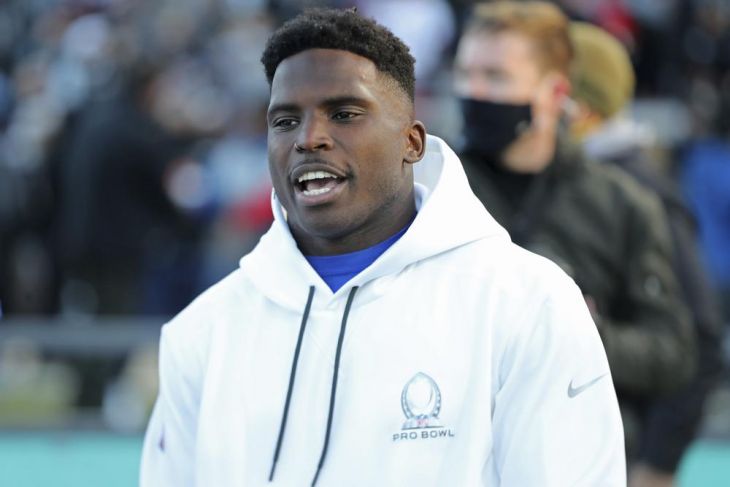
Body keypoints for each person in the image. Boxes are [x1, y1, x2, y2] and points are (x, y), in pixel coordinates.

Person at [140, 8, 625, 486]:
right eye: (285, 121)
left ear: (412, 142)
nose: (309, 139)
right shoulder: (203, 332)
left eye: (344, 114)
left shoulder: (526, 302)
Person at [453, 0, 697, 466]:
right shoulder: (431, 192)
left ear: (555, 92)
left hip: (574, 459)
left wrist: (583, 331)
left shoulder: (622, 204)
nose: (473, 91)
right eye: (465, 74)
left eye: (496, 77)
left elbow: (673, 352)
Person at [568, 21, 725, 487]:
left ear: (582, 105)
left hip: (624, 452)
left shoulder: (635, 190)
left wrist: (658, 462)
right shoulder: (574, 183)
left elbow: (701, 336)